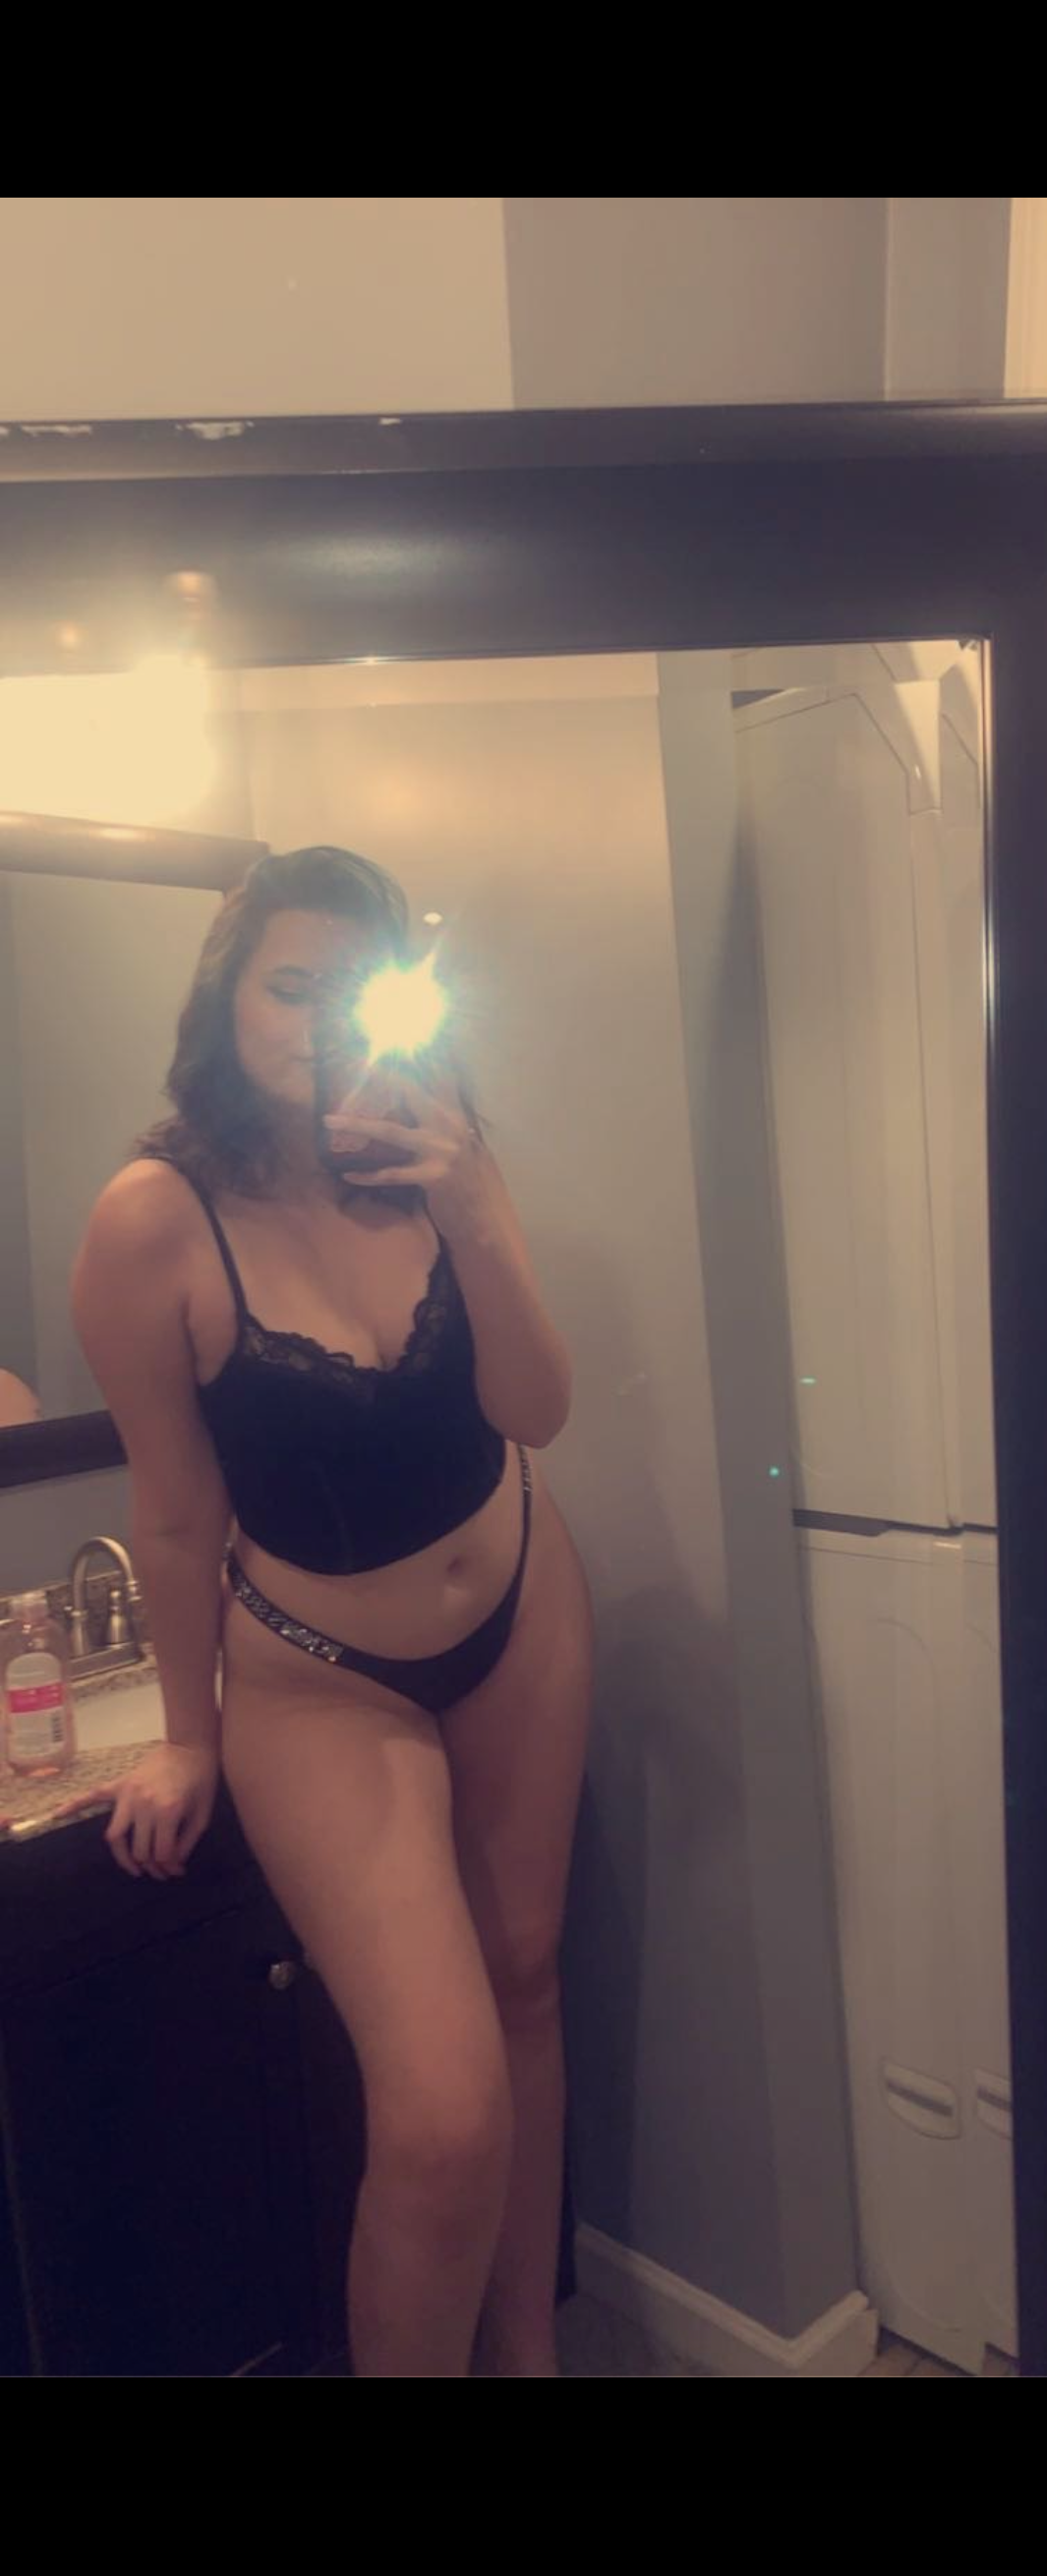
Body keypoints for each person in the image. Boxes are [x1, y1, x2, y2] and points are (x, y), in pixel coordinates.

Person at [72, 847, 591, 2379]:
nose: (314, 1023)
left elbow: (537, 1409)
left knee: (528, 1977)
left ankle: (528, 2358)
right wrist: (187, 1736)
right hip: (317, 1674)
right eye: (286, 986)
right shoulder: (152, 1219)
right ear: (226, 1000)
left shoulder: (433, 1152)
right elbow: (177, 1513)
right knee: (440, 2113)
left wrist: (475, 1205)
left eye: (346, 990)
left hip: (521, 1602)